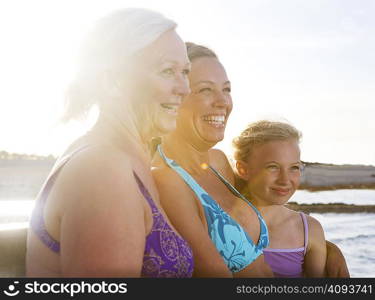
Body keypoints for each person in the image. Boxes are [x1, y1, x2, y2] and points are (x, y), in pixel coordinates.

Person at [26, 8, 194, 277]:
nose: (184, 88)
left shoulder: (121, 161)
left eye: (185, 71)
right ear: (112, 81)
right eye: (167, 71)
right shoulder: (101, 171)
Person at [152, 43, 273, 277]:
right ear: (173, 98)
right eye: (206, 90)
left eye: (226, 89)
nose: (222, 102)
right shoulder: (168, 181)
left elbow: (273, 214)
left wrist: (323, 245)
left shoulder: (218, 162)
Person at [231, 120, 328, 277]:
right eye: (273, 167)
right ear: (243, 169)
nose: (285, 180)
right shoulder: (223, 223)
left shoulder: (309, 230)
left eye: (294, 168)